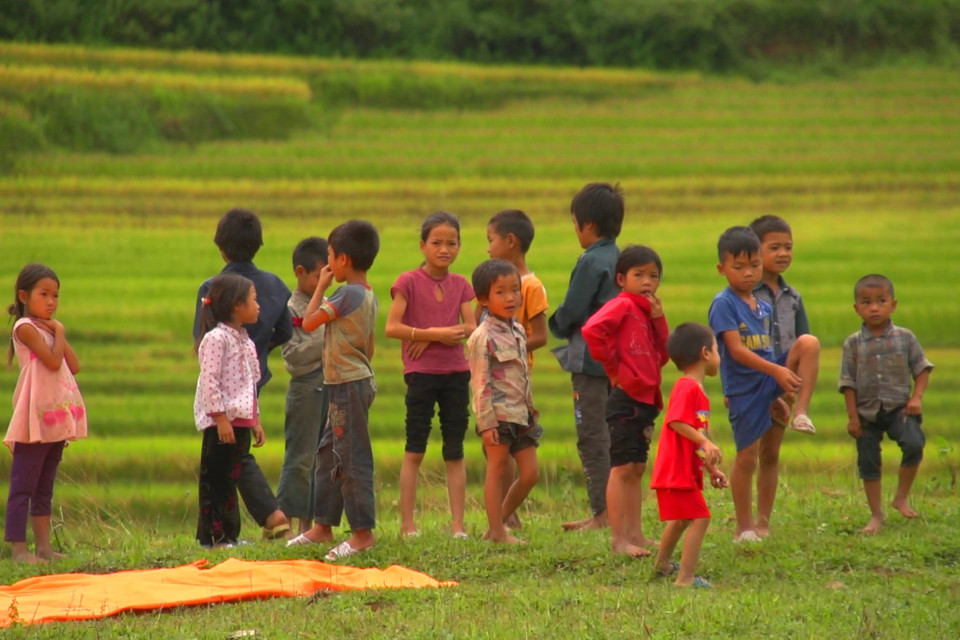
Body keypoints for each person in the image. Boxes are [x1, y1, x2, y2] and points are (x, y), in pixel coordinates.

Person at [708, 226, 820, 542]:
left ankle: (802, 411)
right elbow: (737, 351)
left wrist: (779, 391)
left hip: (768, 382)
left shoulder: (765, 306)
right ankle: (743, 526)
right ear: (722, 269)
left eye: (755, 266)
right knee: (747, 457)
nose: (748, 273)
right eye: (739, 267)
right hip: (745, 389)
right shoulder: (724, 304)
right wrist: (776, 373)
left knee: (808, 343)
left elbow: (768, 348)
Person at [192, 208, 290, 539]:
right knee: (225, 466)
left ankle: (236, 530)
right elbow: (285, 333)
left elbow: (198, 344)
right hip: (233, 397)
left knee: (230, 464)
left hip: (238, 395)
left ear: (221, 247)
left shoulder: (212, 287)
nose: (257, 305)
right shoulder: (275, 285)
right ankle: (223, 534)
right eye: (253, 302)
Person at [286, 220, 380, 561]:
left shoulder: (346, 293)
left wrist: (319, 288)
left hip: (347, 385)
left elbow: (309, 322)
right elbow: (369, 347)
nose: (327, 264)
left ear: (343, 260)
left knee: (351, 457)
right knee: (328, 453)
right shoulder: (368, 294)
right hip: (352, 381)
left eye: (329, 257)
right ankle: (323, 526)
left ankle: (362, 534)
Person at [384, 212, 475, 539]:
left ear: (459, 247)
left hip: (456, 373)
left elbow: (471, 328)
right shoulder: (407, 282)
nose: (444, 249)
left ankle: (458, 526)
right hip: (421, 373)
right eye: (436, 243)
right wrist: (430, 334)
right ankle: (408, 526)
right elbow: (391, 327)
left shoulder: (462, 285)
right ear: (422, 245)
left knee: (455, 448)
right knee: (415, 448)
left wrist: (429, 335)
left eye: (451, 243)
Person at [582, 245, 669, 557]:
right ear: (621, 278)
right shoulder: (623, 306)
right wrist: (613, 368)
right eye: (639, 275)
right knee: (621, 468)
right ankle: (619, 540)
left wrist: (659, 319)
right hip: (626, 398)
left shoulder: (646, 312)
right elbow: (593, 330)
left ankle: (636, 534)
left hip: (645, 398)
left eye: (653, 275)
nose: (647, 281)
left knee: (636, 468)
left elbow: (663, 355)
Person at [548, 182, 623, 532]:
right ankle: (615, 511)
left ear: (587, 226)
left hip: (590, 361)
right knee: (615, 433)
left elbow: (574, 309)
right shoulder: (621, 258)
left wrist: (556, 323)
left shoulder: (591, 261)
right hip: (618, 363)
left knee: (592, 434)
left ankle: (602, 514)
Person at [4, 264, 87, 563]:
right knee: (23, 485)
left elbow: (73, 366)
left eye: (56, 296)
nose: (51, 301)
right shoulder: (24, 328)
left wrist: (57, 332)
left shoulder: (48, 328)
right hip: (33, 419)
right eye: (44, 294)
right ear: (24, 296)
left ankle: (43, 548)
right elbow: (53, 362)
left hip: (54, 418)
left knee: (44, 486)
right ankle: (18, 550)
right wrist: (60, 331)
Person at [839, 274, 932, 535]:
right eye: (866, 302)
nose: (874, 307)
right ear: (857, 308)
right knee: (868, 461)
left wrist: (916, 398)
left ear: (894, 304)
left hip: (900, 408)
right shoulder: (853, 343)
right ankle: (876, 515)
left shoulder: (906, 338)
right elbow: (848, 383)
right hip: (866, 412)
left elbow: (922, 369)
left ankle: (901, 496)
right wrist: (852, 417)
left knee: (914, 444)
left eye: (881, 301)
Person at [466, 259, 541, 544]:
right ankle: (497, 531)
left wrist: (531, 408)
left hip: (521, 414)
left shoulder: (520, 331)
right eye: (501, 292)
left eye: (514, 290)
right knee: (496, 470)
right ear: (484, 299)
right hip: (497, 416)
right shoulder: (481, 337)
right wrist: (486, 423)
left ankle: (496, 527)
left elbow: (523, 373)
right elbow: (480, 383)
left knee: (530, 474)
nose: (511, 298)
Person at [484, 208, 549, 529]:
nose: (488, 247)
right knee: (499, 457)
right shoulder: (490, 283)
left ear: (510, 241)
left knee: (518, 460)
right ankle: (503, 520)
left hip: (516, 385)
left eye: (491, 240)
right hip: (493, 388)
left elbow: (541, 335)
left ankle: (505, 517)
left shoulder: (531, 286)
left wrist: (510, 348)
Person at [651, 323, 728, 588]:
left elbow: (691, 435)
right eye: (717, 350)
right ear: (706, 353)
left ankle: (662, 564)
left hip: (684, 469)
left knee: (683, 518)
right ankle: (685, 578)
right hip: (676, 470)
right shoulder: (688, 387)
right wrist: (705, 440)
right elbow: (676, 422)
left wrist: (711, 469)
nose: (720, 356)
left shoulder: (697, 391)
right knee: (701, 517)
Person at [193, 273, 263, 548]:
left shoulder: (245, 340)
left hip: (241, 420)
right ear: (237, 305)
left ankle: (230, 535)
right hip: (221, 422)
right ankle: (212, 537)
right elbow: (210, 380)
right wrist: (220, 419)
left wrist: (255, 420)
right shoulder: (216, 339)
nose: (258, 306)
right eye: (254, 300)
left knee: (231, 480)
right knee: (215, 480)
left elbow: (251, 385)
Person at [278, 237, 329, 535]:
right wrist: (330, 342)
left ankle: (308, 527)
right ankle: (280, 525)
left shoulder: (326, 305)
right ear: (300, 272)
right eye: (318, 274)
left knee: (323, 458)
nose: (324, 281)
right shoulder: (292, 309)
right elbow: (293, 357)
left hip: (329, 385)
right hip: (305, 388)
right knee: (299, 458)